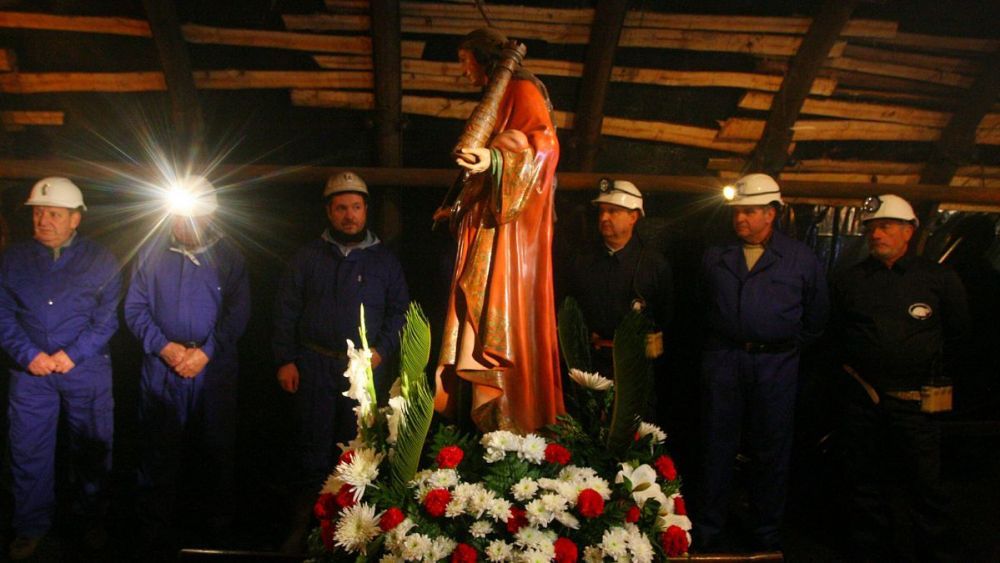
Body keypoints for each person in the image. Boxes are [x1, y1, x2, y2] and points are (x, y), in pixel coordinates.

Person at [432, 27, 564, 434]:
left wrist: (494, 161)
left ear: (480, 56)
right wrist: (457, 204)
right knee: (472, 310)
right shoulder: (499, 94)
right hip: (483, 225)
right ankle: (476, 423)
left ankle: (512, 419)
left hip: (506, 234)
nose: (463, 69)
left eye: (464, 60)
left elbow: (544, 146)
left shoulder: (521, 89)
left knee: (493, 310)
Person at [272, 171, 408, 552]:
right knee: (310, 450)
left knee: (359, 452)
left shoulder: (385, 261)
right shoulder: (307, 257)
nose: (350, 215)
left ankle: (356, 534)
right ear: (329, 213)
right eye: (341, 208)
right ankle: (304, 527)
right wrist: (285, 359)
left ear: (366, 210)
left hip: (363, 372)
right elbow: (286, 309)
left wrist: (381, 351)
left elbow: (400, 313)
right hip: (315, 364)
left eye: (356, 207)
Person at [694, 173, 828, 551]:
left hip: (776, 366)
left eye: (749, 212)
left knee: (771, 449)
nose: (740, 219)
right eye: (737, 212)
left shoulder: (800, 259)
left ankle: (765, 531)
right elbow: (700, 305)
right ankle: (709, 529)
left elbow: (818, 318)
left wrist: (781, 346)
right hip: (724, 360)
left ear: (771, 213)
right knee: (715, 445)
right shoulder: (715, 255)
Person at [831, 194, 969, 561]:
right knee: (864, 482)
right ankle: (871, 550)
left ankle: (933, 552)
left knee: (925, 485)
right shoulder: (851, 280)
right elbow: (836, 334)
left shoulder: (938, 279)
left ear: (909, 231)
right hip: (864, 401)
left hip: (916, 404)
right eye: (872, 228)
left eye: (886, 226)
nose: (877, 234)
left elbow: (960, 335)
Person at [124, 176, 250, 555]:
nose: (186, 225)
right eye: (179, 217)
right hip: (164, 368)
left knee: (216, 450)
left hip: (213, 370)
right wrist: (164, 347)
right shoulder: (151, 251)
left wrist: (206, 351)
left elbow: (238, 312)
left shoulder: (230, 256)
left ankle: (216, 530)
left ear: (211, 215)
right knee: (158, 451)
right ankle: (152, 532)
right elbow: (134, 307)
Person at [0, 177, 121, 560]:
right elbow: (2, 313)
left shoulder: (101, 259)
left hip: (84, 370)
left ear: (75, 219)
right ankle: (30, 526)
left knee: (91, 447)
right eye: (38, 213)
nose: (44, 220)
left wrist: (73, 354)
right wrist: (27, 354)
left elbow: (107, 319)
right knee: (27, 450)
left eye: (54, 214)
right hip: (31, 373)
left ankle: (90, 520)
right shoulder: (13, 258)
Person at [564, 178, 672, 390]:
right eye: (602, 211)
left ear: (633, 216)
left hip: (636, 368)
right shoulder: (582, 262)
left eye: (613, 211)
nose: (604, 217)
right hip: (590, 365)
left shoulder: (654, 265)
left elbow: (666, 316)